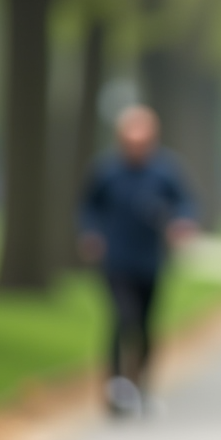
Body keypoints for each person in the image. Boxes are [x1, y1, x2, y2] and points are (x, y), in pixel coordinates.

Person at [78, 105, 197, 416]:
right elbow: (89, 207)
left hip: (150, 260)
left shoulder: (165, 171)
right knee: (122, 317)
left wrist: (181, 224)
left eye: (142, 142)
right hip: (116, 260)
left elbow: (185, 203)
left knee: (145, 325)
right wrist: (90, 234)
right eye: (130, 142)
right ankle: (117, 385)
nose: (136, 148)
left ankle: (142, 385)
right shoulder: (106, 171)